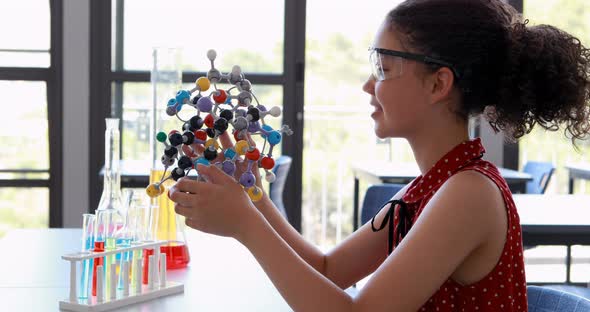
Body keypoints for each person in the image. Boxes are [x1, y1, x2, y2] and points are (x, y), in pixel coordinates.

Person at [169, 0, 590, 310]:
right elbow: (329, 268)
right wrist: (254, 194)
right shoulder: (432, 186)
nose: (369, 86)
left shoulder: (470, 194)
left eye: (385, 70)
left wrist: (245, 224)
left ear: (437, 85)